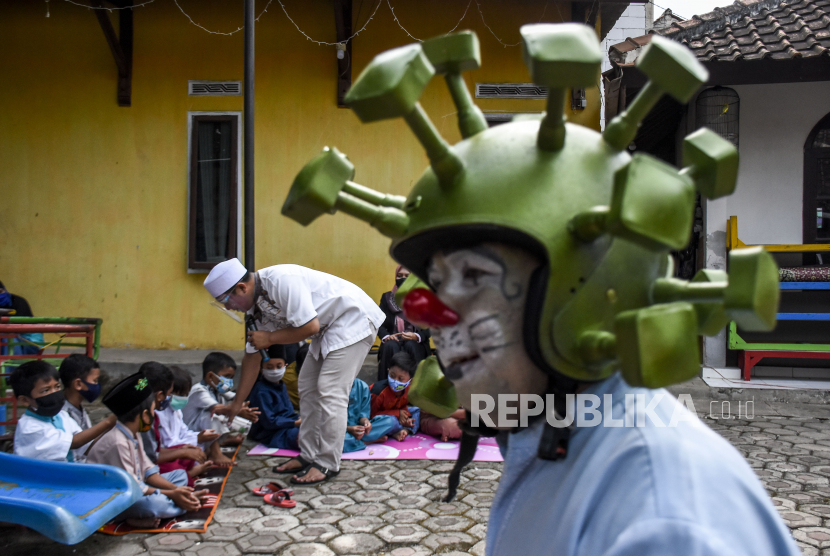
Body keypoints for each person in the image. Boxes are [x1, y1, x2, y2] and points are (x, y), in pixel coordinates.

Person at [281, 24, 801, 555]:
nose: (436, 314)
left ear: (589, 291)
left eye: (475, 279)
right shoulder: (549, 432)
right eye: (435, 284)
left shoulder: (664, 517)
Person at [204, 258, 384, 485]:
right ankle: (308, 455)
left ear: (242, 288)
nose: (229, 307)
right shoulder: (254, 309)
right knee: (307, 385)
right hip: (328, 330)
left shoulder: (281, 280)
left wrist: (269, 338)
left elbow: (310, 327)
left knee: (330, 391)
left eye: (226, 300)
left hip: (354, 318)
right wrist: (237, 403)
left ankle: (327, 463)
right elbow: (252, 356)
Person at [87, 372, 207, 529]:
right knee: (155, 504)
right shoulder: (118, 442)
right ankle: (182, 504)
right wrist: (173, 494)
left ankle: (182, 499)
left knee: (180, 476)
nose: (154, 415)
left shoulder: (134, 432)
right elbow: (134, 488)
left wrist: (176, 490)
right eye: (152, 410)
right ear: (144, 415)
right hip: (113, 499)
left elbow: (149, 471)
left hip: (137, 488)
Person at [10, 360, 116, 462]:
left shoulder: (62, 416)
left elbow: (86, 446)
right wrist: (108, 422)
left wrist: (114, 426)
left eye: (57, 387)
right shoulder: (29, 427)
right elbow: (75, 442)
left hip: (67, 474)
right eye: (46, 390)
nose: (54, 393)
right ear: (24, 400)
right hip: (44, 479)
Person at [182, 351, 259, 467]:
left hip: (202, 433)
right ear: (210, 376)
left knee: (230, 410)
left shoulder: (216, 389)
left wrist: (242, 407)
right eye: (227, 377)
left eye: (231, 377)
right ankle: (215, 453)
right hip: (191, 433)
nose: (229, 381)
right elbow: (218, 409)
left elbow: (235, 400)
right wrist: (238, 410)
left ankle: (224, 439)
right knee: (211, 414)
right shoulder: (199, 391)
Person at [156, 366, 220, 486]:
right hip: (164, 455)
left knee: (196, 451)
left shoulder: (176, 411)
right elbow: (167, 445)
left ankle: (188, 470)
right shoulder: (158, 414)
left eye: (186, 394)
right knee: (175, 465)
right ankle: (191, 473)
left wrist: (198, 437)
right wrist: (189, 446)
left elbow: (184, 432)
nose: (184, 398)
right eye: (179, 394)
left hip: (176, 450)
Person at [376, 266, 431, 381]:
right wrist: (386, 336)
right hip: (393, 340)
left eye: (407, 276)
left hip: (415, 343)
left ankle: (415, 389)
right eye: (399, 276)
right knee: (390, 345)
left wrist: (417, 336)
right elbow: (378, 322)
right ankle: (384, 390)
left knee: (411, 345)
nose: (403, 278)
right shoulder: (386, 298)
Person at [247, 344, 301, 450]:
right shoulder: (261, 391)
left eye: (279, 366)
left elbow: (288, 412)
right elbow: (269, 422)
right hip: (271, 433)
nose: (274, 371)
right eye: (269, 367)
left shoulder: (281, 385)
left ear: (285, 366)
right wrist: (295, 423)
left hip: (286, 426)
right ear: (261, 369)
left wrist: (298, 419)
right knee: (306, 436)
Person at [58, 353, 102, 462]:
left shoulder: (78, 407)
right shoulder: (63, 413)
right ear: (78, 384)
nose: (97, 385)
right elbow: (81, 447)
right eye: (94, 381)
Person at [370, 352, 420, 442]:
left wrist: (406, 417)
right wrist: (397, 414)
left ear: (410, 380)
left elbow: (402, 406)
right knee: (392, 422)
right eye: (392, 376)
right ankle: (395, 430)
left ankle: (406, 430)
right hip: (381, 419)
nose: (395, 381)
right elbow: (371, 415)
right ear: (388, 371)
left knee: (417, 410)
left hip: (396, 415)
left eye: (401, 378)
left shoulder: (408, 390)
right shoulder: (378, 392)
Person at [343, 378, 396, 452]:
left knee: (390, 421)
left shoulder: (362, 386)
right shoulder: (332, 388)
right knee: (334, 442)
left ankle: (355, 442)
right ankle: (366, 442)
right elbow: (329, 423)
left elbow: (363, 414)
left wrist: (366, 422)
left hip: (360, 430)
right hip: (341, 431)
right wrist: (348, 429)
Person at [0, 280, 40, 357]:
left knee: (8, 338)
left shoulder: (18, 302)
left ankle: (11, 368)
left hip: (29, 340)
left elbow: (16, 328)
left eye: (0, 292)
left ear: (5, 290)